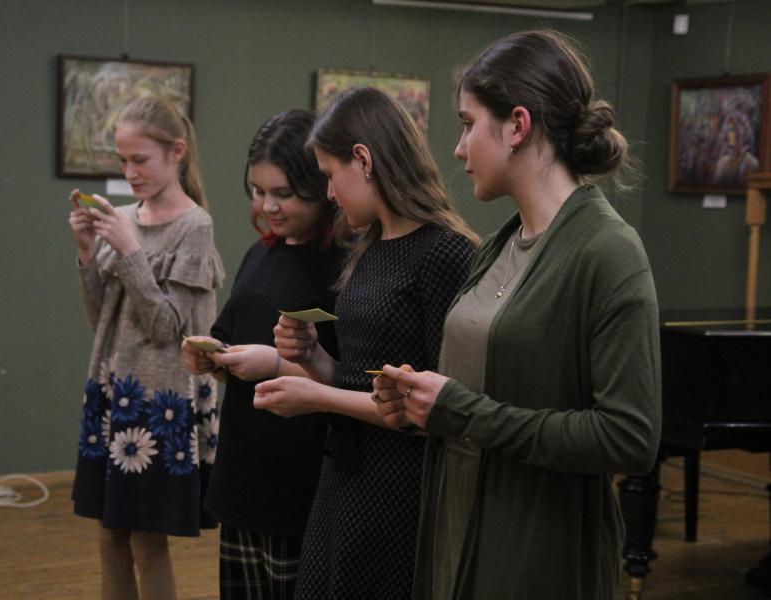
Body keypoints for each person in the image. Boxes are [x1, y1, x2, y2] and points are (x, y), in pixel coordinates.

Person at [373, 30, 661, 600]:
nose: (459, 149)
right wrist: (419, 406)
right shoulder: (497, 246)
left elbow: (629, 438)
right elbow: (479, 395)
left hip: (535, 549)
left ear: (517, 126)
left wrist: (463, 413)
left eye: (467, 124)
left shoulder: (608, 251)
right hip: (459, 524)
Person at [253, 87, 478, 599]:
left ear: (364, 159)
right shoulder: (369, 246)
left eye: (331, 175)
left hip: (399, 487)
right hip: (347, 473)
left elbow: (432, 409)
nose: (329, 194)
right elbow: (358, 378)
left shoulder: (445, 252)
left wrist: (317, 396)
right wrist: (312, 356)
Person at [180, 109, 344, 599]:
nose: (268, 206)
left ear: (322, 186)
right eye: (258, 191)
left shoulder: (344, 265)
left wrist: (271, 362)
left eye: (283, 193)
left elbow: (346, 375)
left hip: (299, 484)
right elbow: (231, 339)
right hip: (243, 477)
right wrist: (212, 359)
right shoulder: (260, 254)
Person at [68, 95, 224, 600]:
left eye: (140, 160)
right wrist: (87, 254)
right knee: (109, 535)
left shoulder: (195, 226)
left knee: (145, 540)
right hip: (115, 393)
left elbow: (165, 327)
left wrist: (131, 252)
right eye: (122, 160)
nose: (130, 172)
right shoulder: (125, 218)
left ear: (176, 152)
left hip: (160, 403)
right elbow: (100, 318)